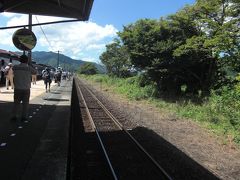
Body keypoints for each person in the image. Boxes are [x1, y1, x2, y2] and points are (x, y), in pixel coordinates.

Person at [11, 54, 37, 121]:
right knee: (25, 104)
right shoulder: (29, 68)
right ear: (27, 61)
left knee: (16, 103)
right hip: (26, 89)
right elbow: (35, 72)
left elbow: (12, 70)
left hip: (17, 88)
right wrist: (30, 64)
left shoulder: (15, 67)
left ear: (20, 60)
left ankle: (14, 116)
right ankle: (24, 117)